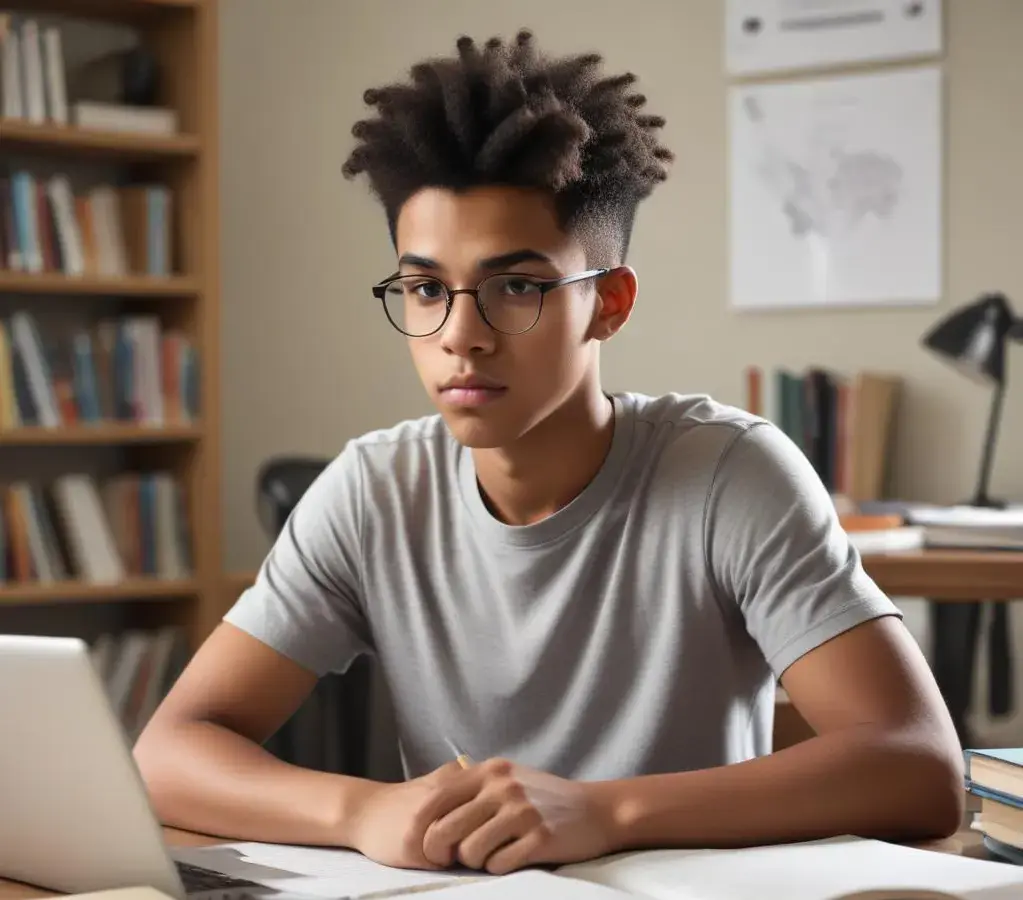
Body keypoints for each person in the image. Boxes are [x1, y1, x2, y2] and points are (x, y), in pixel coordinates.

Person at [134, 29, 964, 877]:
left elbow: (919, 767)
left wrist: (602, 812)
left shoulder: (730, 474)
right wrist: (360, 809)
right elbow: (168, 752)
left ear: (608, 302)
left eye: (516, 287)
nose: (461, 336)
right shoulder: (373, 488)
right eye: (424, 288)